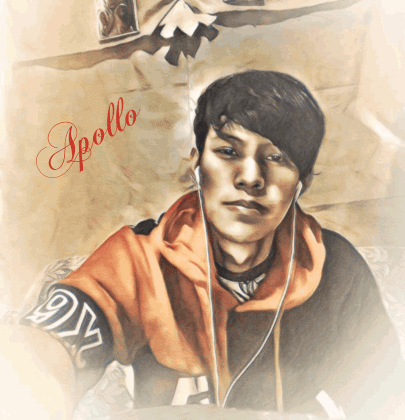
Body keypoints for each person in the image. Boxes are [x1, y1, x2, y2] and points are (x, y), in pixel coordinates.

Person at [1, 70, 404, 419]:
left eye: (277, 157)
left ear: (302, 183)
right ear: (197, 164)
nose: (250, 177)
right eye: (228, 152)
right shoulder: (142, 258)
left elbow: (386, 398)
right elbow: (46, 349)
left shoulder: (334, 267)